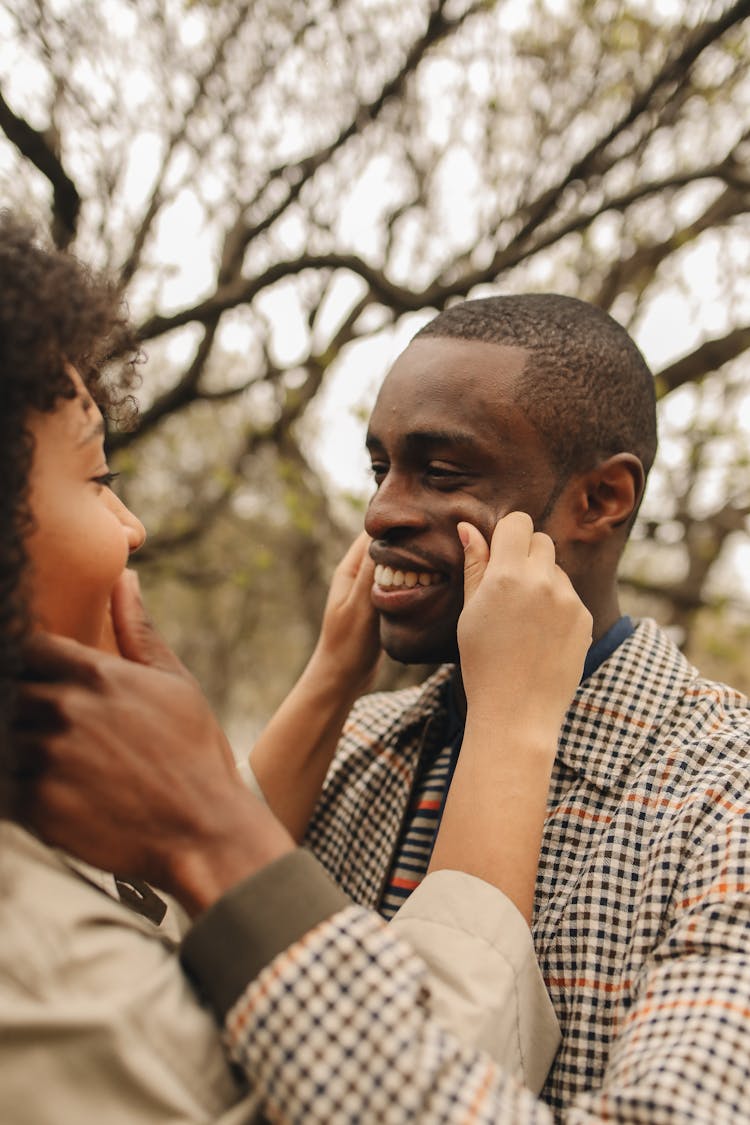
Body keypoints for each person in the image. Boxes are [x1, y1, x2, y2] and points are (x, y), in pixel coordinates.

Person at [3, 211, 593, 1122]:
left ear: (601, 500)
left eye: (439, 471)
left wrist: (326, 681)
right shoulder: (38, 964)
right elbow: (411, 1088)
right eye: (97, 478)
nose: (381, 513)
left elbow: (160, 913)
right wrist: (512, 730)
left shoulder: (714, 786)